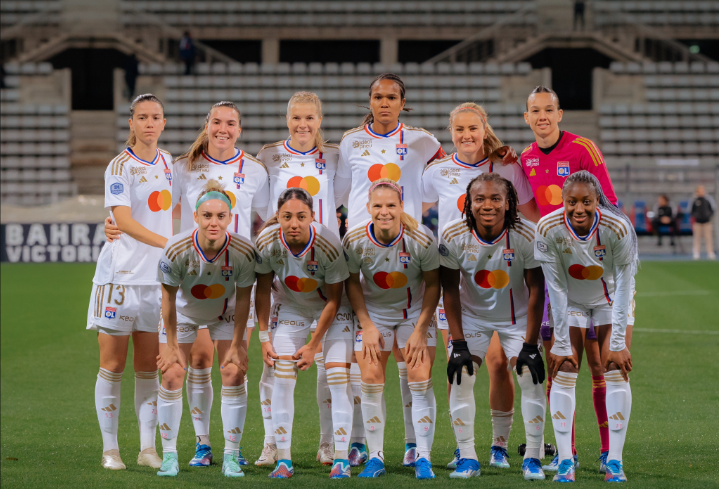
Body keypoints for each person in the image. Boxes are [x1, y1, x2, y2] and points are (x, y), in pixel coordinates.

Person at [105, 100, 270, 467]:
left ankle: (233, 447)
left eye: (230, 123)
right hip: (191, 278)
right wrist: (113, 220)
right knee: (198, 359)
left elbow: (267, 220)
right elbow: (159, 209)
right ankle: (202, 444)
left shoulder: (256, 171)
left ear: (239, 129)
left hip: (236, 277)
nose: (222, 129)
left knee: (233, 367)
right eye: (216, 122)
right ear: (206, 124)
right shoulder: (182, 167)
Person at [422, 102, 540, 470]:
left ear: (484, 128)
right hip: (459, 273)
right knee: (459, 366)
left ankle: (500, 446)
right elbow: (416, 202)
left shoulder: (507, 166)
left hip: (506, 285)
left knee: (501, 364)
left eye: (473, 128)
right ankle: (464, 449)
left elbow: (531, 215)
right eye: (459, 130)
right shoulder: (436, 171)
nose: (466, 135)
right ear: (450, 132)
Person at [338, 73, 445, 468]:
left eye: (392, 97)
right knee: (361, 367)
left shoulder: (422, 140)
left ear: (403, 102)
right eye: (378, 97)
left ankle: (417, 447)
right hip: (361, 259)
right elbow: (339, 191)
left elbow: (441, 180)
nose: (384, 103)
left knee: (412, 367)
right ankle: (362, 445)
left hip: (410, 256)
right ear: (370, 100)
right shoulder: (351, 141)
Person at [520, 86, 628, 473]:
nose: (543, 116)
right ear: (527, 116)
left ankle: (605, 451)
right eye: (536, 111)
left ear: (560, 113)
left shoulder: (583, 148)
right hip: (552, 273)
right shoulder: (525, 158)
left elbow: (609, 204)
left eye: (549, 110)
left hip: (593, 271)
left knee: (601, 364)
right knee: (561, 362)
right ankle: (568, 453)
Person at [256, 92, 348, 466]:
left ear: (320, 119)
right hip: (287, 276)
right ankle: (273, 443)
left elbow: (348, 198)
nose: (302, 124)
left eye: (310, 117)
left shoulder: (336, 157)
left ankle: (329, 444)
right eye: (296, 117)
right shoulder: (268, 156)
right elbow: (258, 205)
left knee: (330, 370)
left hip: (327, 266)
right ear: (287, 119)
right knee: (273, 368)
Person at [440, 173, 547, 481]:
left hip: (516, 319)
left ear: (509, 203)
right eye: (480, 199)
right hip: (472, 317)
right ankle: (467, 456)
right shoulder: (453, 234)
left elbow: (536, 290)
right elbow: (449, 290)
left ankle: (533, 458)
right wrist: (458, 343)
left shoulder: (527, 234)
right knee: (461, 375)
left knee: (532, 378)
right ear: (468, 204)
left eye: (496, 198)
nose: (488, 205)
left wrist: (529, 345)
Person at [535, 170, 638, 483]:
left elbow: (623, 286)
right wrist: (563, 342)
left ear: (598, 201)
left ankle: (615, 461)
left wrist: (618, 343)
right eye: (572, 202)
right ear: (563, 201)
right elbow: (555, 287)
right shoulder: (548, 227)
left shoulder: (618, 227)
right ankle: (566, 461)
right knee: (564, 369)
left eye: (586, 201)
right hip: (572, 303)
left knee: (615, 368)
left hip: (610, 300)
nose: (579, 208)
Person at [86, 94, 170, 471]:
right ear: (132, 123)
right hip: (120, 279)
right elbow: (121, 220)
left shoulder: (170, 163)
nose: (149, 123)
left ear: (164, 123)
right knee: (113, 364)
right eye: (142, 117)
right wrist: (173, 244)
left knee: (149, 367)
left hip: (157, 283)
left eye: (155, 117)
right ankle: (110, 449)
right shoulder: (119, 166)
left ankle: (147, 448)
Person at [155, 180, 256, 477]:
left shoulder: (242, 250)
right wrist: (172, 345)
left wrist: (238, 344)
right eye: (207, 215)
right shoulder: (176, 248)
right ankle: (170, 455)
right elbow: (168, 300)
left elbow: (244, 300)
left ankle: (231, 455)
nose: (214, 222)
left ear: (229, 217)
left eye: (220, 216)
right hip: (184, 314)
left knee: (233, 371)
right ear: (196, 216)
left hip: (224, 313)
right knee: (172, 373)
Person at [343, 179, 441, 479]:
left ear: (401, 206)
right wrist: (367, 324)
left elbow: (434, 285)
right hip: (374, 315)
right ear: (368, 208)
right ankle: (375, 458)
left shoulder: (421, 238)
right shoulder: (354, 239)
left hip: (413, 314)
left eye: (390, 205)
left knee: (420, 378)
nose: (384, 212)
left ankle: (422, 456)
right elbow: (351, 283)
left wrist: (420, 330)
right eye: (377, 206)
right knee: (371, 379)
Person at [254, 188, 354, 479]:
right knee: (281, 378)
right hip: (292, 308)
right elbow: (261, 291)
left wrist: (313, 344)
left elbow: (335, 299)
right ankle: (283, 460)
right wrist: (263, 338)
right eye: (287, 216)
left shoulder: (327, 244)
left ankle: (340, 458)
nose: (294, 223)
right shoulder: (267, 241)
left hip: (332, 311)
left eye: (301, 216)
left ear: (312, 216)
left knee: (337, 379)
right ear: (278, 216)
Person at [691, 185, 716, 259]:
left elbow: (712, 209)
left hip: (707, 222)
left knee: (708, 238)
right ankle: (696, 252)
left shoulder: (708, 199)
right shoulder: (694, 200)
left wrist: (708, 215)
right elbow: (691, 211)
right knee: (697, 238)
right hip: (698, 222)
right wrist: (696, 216)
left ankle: (710, 252)